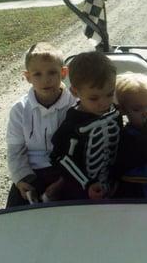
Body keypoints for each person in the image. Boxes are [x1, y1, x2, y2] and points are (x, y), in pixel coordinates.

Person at [5, 42, 77, 207]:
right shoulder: (20, 109)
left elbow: (79, 148)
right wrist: (22, 178)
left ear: (64, 72)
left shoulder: (74, 105)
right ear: (28, 77)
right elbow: (15, 149)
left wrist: (63, 180)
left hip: (66, 171)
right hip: (32, 172)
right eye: (37, 74)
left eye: (52, 72)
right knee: (15, 215)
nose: (46, 80)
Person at [50, 51, 122, 200]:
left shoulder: (115, 113)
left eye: (109, 94)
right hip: (81, 193)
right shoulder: (72, 125)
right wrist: (86, 183)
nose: (104, 103)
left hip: (116, 186)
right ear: (75, 92)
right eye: (94, 98)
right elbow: (59, 157)